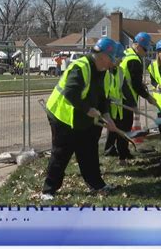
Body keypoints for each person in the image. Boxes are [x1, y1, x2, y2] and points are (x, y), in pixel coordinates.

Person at [41, 37, 119, 201]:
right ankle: (49, 190)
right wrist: (88, 109)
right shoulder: (80, 67)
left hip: (83, 117)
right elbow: (70, 93)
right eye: (114, 58)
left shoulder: (105, 73)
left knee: (89, 149)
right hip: (62, 116)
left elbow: (103, 98)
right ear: (104, 56)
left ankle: (96, 184)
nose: (116, 62)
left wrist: (107, 117)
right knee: (61, 153)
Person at [118, 32, 158, 164]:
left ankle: (120, 152)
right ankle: (123, 157)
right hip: (125, 97)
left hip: (120, 96)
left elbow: (129, 78)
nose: (146, 52)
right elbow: (134, 85)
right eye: (145, 49)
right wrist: (148, 97)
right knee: (125, 128)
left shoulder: (127, 54)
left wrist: (140, 85)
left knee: (120, 127)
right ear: (138, 46)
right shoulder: (134, 61)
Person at [103, 42, 126, 158]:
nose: (121, 60)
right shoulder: (105, 72)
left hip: (118, 106)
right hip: (108, 106)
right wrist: (109, 100)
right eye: (120, 58)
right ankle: (108, 149)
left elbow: (121, 87)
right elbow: (104, 91)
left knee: (116, 129)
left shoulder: (120, 71)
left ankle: (112, 149)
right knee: (111, 129)